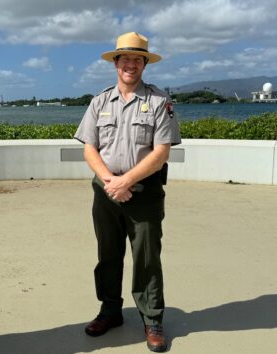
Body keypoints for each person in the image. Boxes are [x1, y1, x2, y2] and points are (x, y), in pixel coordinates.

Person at [74, 32, 181, 352]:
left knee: (147, 257)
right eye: (125, 59)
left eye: (137, 59)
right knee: (107, 255)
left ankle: (152, 319)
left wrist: (126, 181)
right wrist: (110, 181)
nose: (130, 65)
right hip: (105, 191)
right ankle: (110, 311)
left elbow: (161, 152)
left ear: (144, 64)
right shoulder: (99, 101)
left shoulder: (160, 102)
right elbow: (89, 148)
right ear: (115, 63)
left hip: (144, 192)